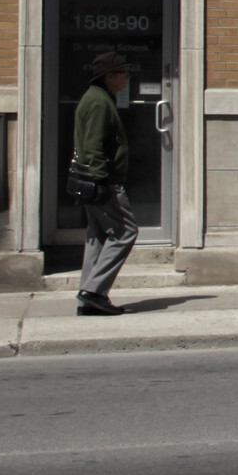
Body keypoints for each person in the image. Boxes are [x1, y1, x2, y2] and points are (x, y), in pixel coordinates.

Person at [72, 51, 138, 316]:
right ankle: (94, 291)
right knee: (126, 231)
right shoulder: (99, 102)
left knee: (97, 237)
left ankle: (88, 299)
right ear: (109, 76)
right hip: (103, 181)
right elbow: (94, 146)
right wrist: (101, 181)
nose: (127, 77)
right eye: (123, 72)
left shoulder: (97, 98)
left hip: (92, 178)